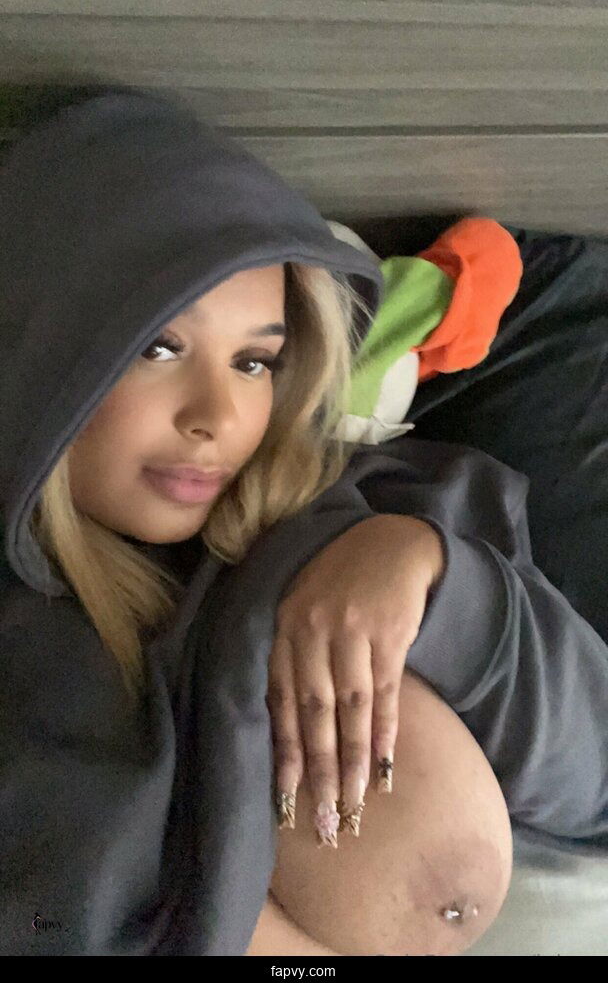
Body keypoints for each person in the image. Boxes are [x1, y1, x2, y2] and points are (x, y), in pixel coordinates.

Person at [0, 84, 605, 956]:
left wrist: (428, 574)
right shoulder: (34, 651)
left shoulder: (378, 501)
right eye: (159, 348)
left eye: (254, 361)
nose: (216, 415)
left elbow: (596, 777)